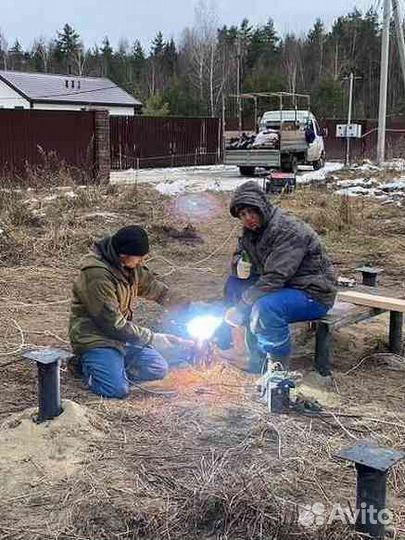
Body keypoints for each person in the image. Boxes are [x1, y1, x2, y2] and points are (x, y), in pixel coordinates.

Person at [222, 181, 337, 373]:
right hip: (286, 287)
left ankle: (276, 365)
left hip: (312, 292)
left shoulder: (287, 230)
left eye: (252, 211)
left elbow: (274, 278)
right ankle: (254, 356)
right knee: (234, 285)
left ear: (263, 207)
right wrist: (237, 265)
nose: (248, 218)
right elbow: (240, 255)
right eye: (242, 215)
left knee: (265, 307)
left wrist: (241, 306)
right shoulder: (252, 233)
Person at [69, 225, 193, 398]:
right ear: (122, 255)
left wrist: (187, 307)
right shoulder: (97, 275)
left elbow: (156, 289)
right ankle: (85, 364)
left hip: (122, 338)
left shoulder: (130, 266)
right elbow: (112, 324)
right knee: (116, 390)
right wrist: (152, 338)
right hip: (97, 338)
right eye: (139, 258)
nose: (141, 262)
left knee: (158, 368)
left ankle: (112, 366)